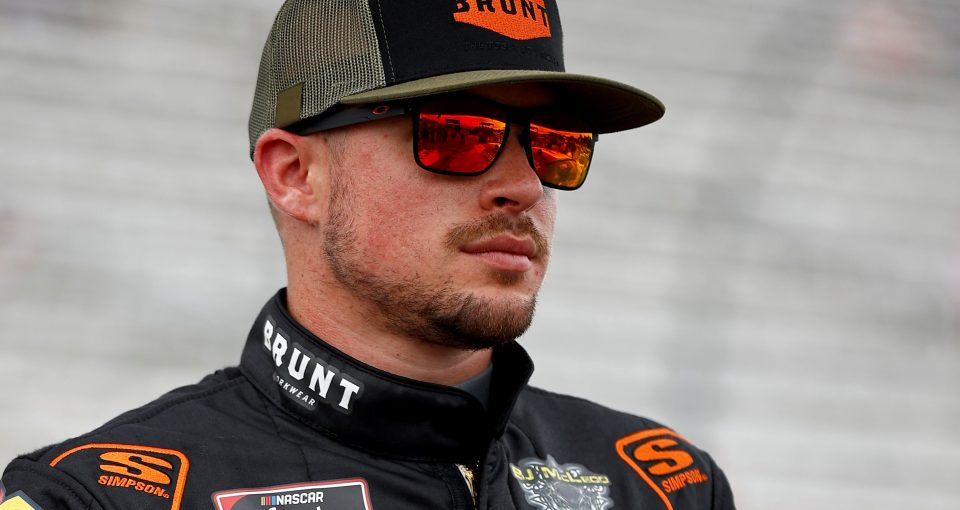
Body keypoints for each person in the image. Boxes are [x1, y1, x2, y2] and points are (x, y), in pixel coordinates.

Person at [0, 1, 736, 509]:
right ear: (296, 176)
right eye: (456, 133)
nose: (523, 185)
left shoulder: (664, 485)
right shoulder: (102, 497)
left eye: (554, 145)